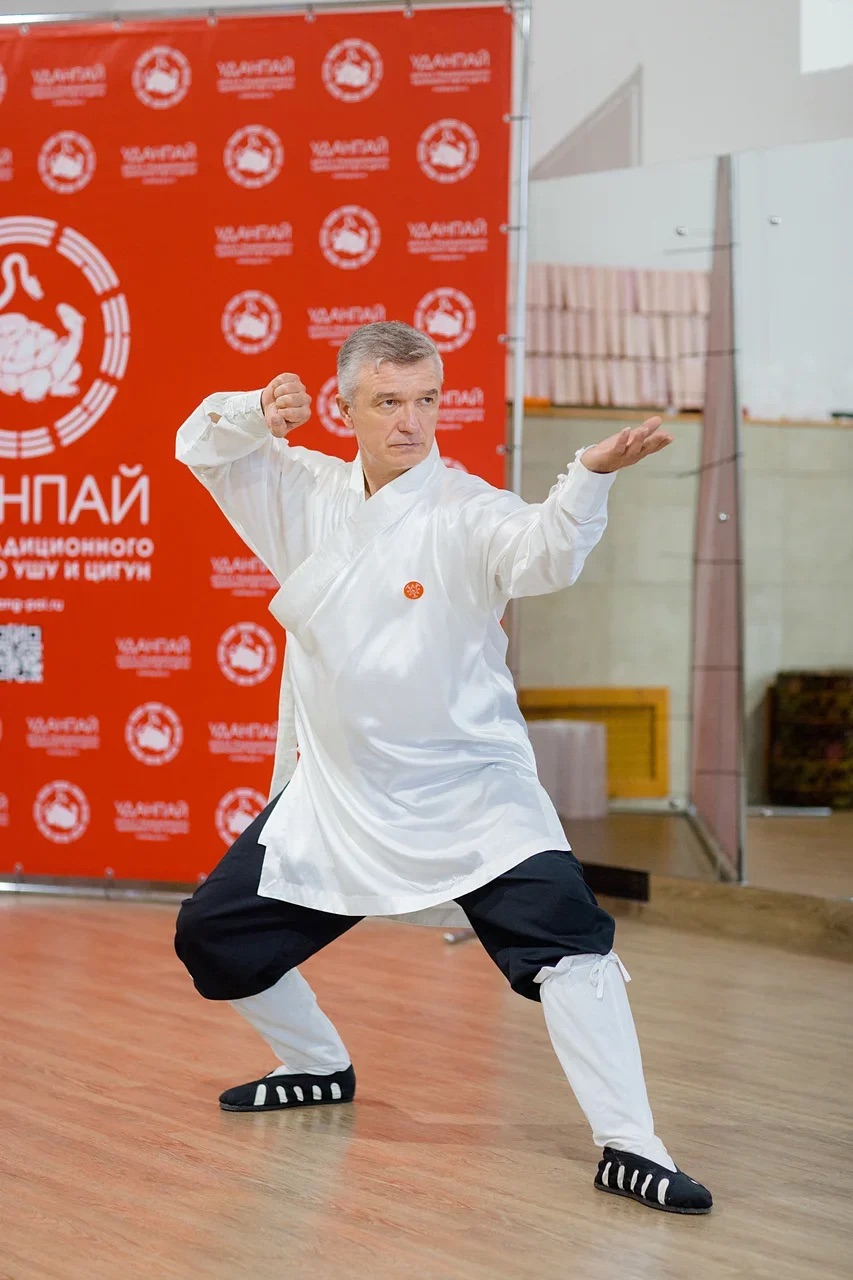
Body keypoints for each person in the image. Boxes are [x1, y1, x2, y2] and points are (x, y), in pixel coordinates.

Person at [174, 321, 712, 1215]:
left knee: (570, 946)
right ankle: (316, 1064)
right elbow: (201, 446)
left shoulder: (469, 510)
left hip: (472, 795)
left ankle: (631, 1146)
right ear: (343, 405)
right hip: (338, 796)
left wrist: (588, 477)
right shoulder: (302, 490)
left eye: (426, 399)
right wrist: (253, 410)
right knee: (211, 937)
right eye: (387, 402)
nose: (411, 420)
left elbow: (544, 553)